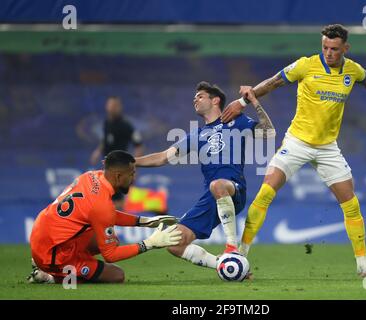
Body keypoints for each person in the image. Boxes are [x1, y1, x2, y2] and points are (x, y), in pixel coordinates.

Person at [221, 24, 366, 277]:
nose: (329, 53)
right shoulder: (305, 65)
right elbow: (274, 82)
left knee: (351, 205)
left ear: (345, 49)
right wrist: (243, 101)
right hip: (297, 142)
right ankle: (240, 256)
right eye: (325, 47)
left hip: (328, 148)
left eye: (335, 49)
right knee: (265, 193)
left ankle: (364, 266)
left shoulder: (352, 70)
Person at [135, 81, 274, 270]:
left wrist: (255, 101)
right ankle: (227, 265)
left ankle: (232, 249)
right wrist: (132, 162)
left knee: (217, 185)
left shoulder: (237, 120)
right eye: (194, 97)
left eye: (200, 96)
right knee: (174, 243)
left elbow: (269, 132)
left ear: (215, 100)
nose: (195, 100)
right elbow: (161, 158)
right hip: (211, 197)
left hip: (233, 188)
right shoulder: (195, 135)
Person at [28, 150, 181, 284]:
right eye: (132, 174)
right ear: (119, 176)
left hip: (42, 234)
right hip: (52, 254)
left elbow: (104, 215)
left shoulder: (91, 176)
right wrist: (149, 244)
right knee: (116, 275)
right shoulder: (101, 205)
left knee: (111, 240)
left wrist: (144, 222)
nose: (134, 179)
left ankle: (53, 263)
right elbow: (110, 255)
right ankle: (49, 275)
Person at [90, 96, 145, 210]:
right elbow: (105, 140)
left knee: (118, 200)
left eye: (115, 106)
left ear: (120, 107)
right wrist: (97, 151)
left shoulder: (126, 126)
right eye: (110, 105)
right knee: (106, 195)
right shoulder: (106, 123)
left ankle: (118, 223)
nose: (112, 108)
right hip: (107, 166)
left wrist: (134, 168)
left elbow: (139, 146)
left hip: (120, 169)